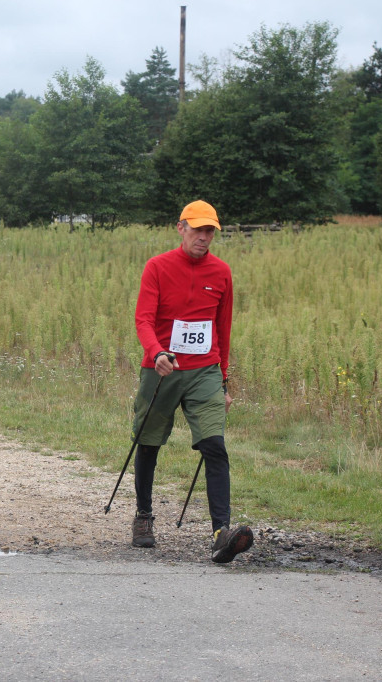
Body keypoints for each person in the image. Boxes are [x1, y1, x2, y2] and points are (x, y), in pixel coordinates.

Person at [130, 200, 253, 563]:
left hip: (205, 371)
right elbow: (143, 320)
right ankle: (143, 517)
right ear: (180, 228)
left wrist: (225, 381)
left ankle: (222, 533)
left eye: (210, 230)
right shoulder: (157, 267)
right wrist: (156, 353)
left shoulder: (222, 272)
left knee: (214, 445)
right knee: (148, 441)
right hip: (162, 367)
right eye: (198, 229)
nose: (204, 237)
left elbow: (224, 329)